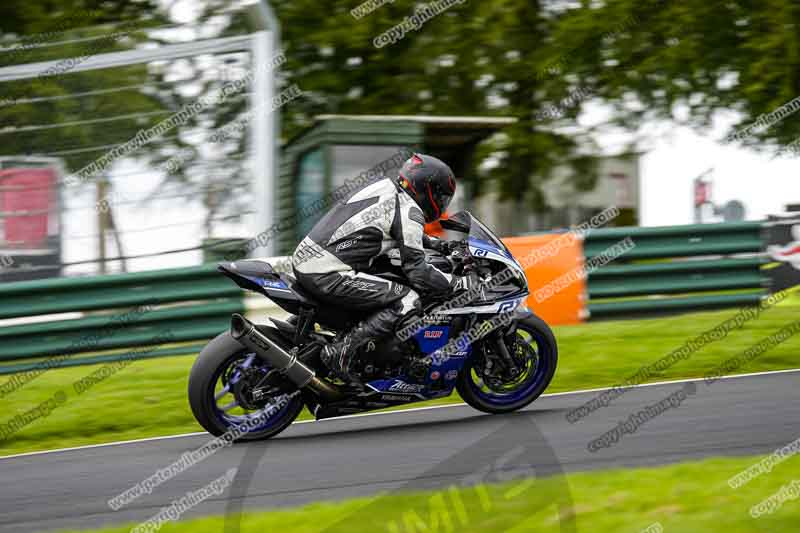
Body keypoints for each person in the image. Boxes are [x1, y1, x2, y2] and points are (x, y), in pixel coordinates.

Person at [291, 153, 476, 383]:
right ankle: (341, 353)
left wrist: (444, 245)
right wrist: (459, 284)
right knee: (407, 299)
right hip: (326, 271)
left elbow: (400, 233)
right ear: (428, 189)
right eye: (441, 196)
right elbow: (417, 270)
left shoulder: (386, 188)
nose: (441, 203)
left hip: (311, 260)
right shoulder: (409, 210)